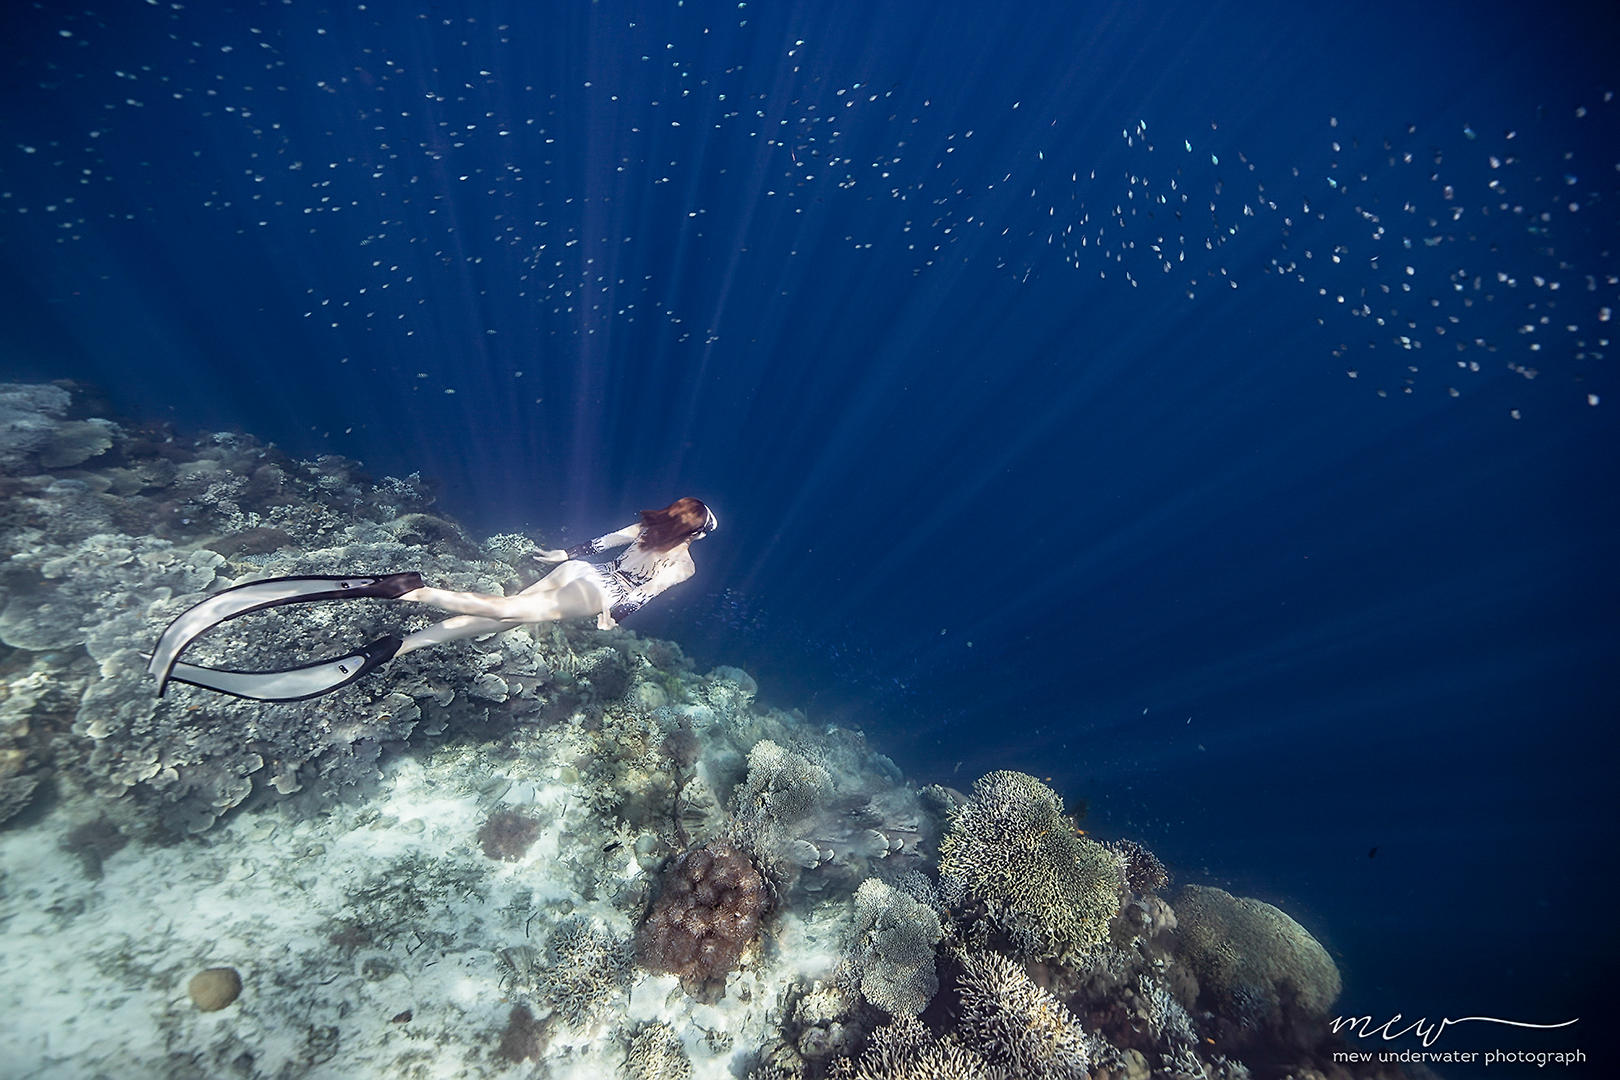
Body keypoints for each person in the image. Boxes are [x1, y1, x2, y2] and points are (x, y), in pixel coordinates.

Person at [147, 497, 717, 702]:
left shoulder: (644, 530)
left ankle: (398, 647)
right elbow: (641, 599)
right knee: (504, 613)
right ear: (693, 536)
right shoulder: (684, 565)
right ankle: (406, 588)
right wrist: (611, 619)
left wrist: (557, 556)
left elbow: (594, 543)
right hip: (596, 591)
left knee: (493, 623)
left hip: (579, 570)